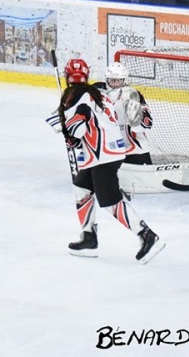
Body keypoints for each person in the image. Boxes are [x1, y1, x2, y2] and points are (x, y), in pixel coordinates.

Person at [56, 58, 165, 264]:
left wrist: (68, 131)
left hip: (102, 154)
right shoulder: (94, 93)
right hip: (108, 151)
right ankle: (89, 237)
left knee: (110, 201)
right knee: (81, 187)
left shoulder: (76, 96)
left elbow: (77, 129)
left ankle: (147, 235)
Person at [95, 60, 154, 165]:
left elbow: (147, 124)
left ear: (125, 80)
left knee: (144, 177)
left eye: (119, 81)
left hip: (134, 147)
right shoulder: (96, 91)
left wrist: (136, 119)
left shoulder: (132, 95)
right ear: (106, 80)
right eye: (112, 81)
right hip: (108, 148)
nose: (115, 84)